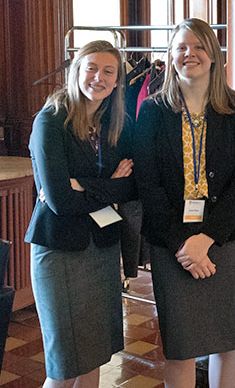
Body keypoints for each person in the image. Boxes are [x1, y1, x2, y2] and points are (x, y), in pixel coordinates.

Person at [134, 18, 235, 388]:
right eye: (181, 47)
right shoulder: (153, 112)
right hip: (171, 241)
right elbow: (148, 184)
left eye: (199, 46)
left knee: (226, 339)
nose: (190, 54)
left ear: (214, 55)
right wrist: (182, 243)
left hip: (226, 235)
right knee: (180, 344)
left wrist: (207, 239)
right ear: (170, 56)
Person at [25, 40, 135, 387]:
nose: (98, 77)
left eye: (108, 71)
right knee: (63, 365)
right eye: (91, 67)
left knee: (93, 357)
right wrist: (106, 186)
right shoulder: (51, 120)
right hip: (58, 250)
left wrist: (81, 185)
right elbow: (59, 201)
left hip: (101, 249)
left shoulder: (115, 123)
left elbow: (132, 186)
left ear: (117, 81)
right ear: (75, 70)